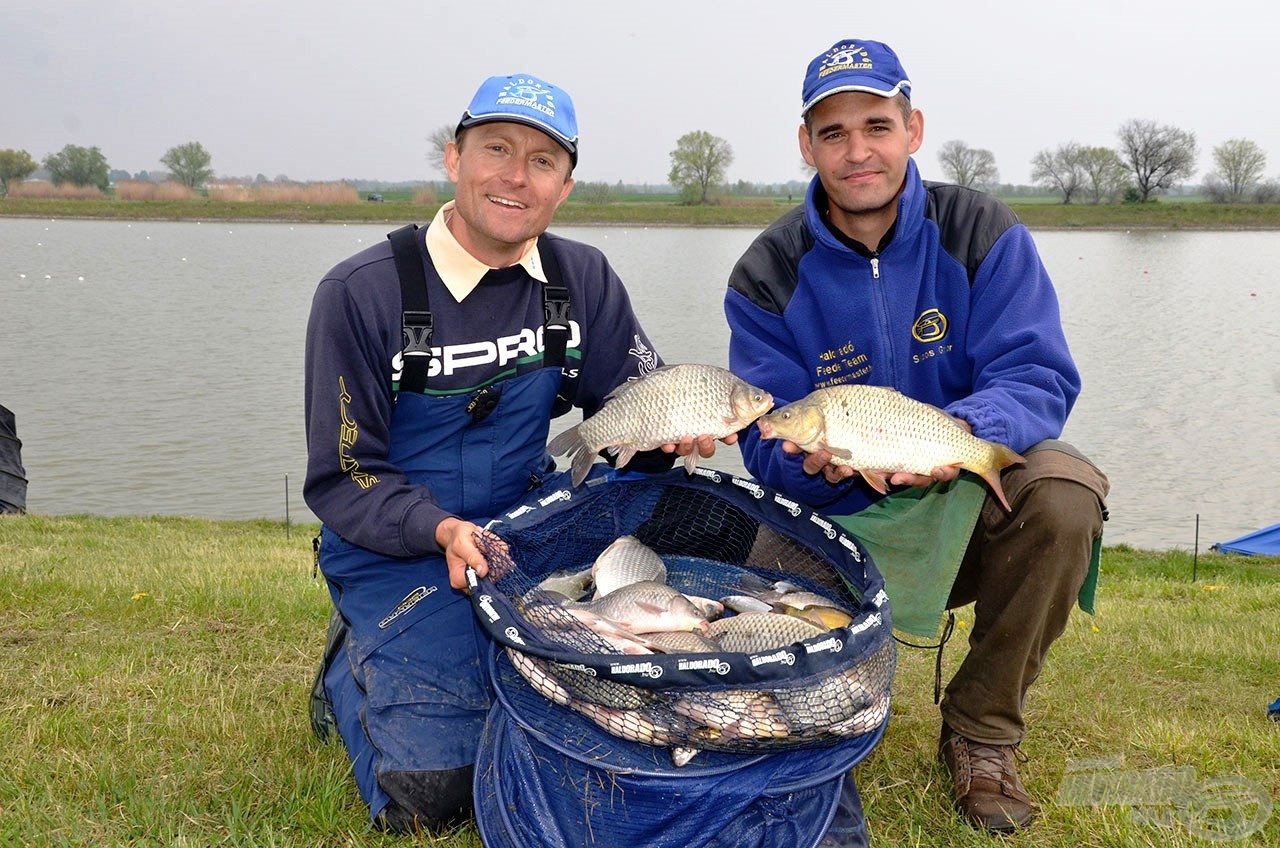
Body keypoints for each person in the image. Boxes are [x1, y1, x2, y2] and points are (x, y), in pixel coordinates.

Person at [303, 72, 724, 833]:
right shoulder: (362, 291)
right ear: (453, 159)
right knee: (437, 793)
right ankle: (350, 662)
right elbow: (346, 475)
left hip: (524, 528)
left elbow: (631, 408)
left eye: (540, 161)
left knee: (604, 721)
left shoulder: (580, 277)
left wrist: (673, 436)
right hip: (397, 546)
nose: (514, 176)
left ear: (564, 185)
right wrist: (437, 530)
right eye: (495, 148)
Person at [725, 39, 1110, 834]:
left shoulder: (981, 230)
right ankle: (826, 724)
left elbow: (1039, 378)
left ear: (913, 128)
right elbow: (765, 443)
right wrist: (816, 465)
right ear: (806, 145)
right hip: (840, 516)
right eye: (833, 133)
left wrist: (958, 433)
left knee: (1067, 495)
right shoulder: (766, 272)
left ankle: (980, 732)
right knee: (759, 635)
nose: (857, 150)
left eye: (876, 125)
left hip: (972, 493)